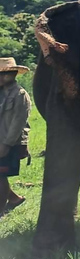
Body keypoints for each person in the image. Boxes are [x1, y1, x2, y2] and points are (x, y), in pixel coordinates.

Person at [0, 58, 31, 215]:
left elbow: (18, 123)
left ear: (7, 76)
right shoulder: (1, 93)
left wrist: (6, 144)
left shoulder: (20, 94)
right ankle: (14, 198)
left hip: (8, 142)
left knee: (0, 175)